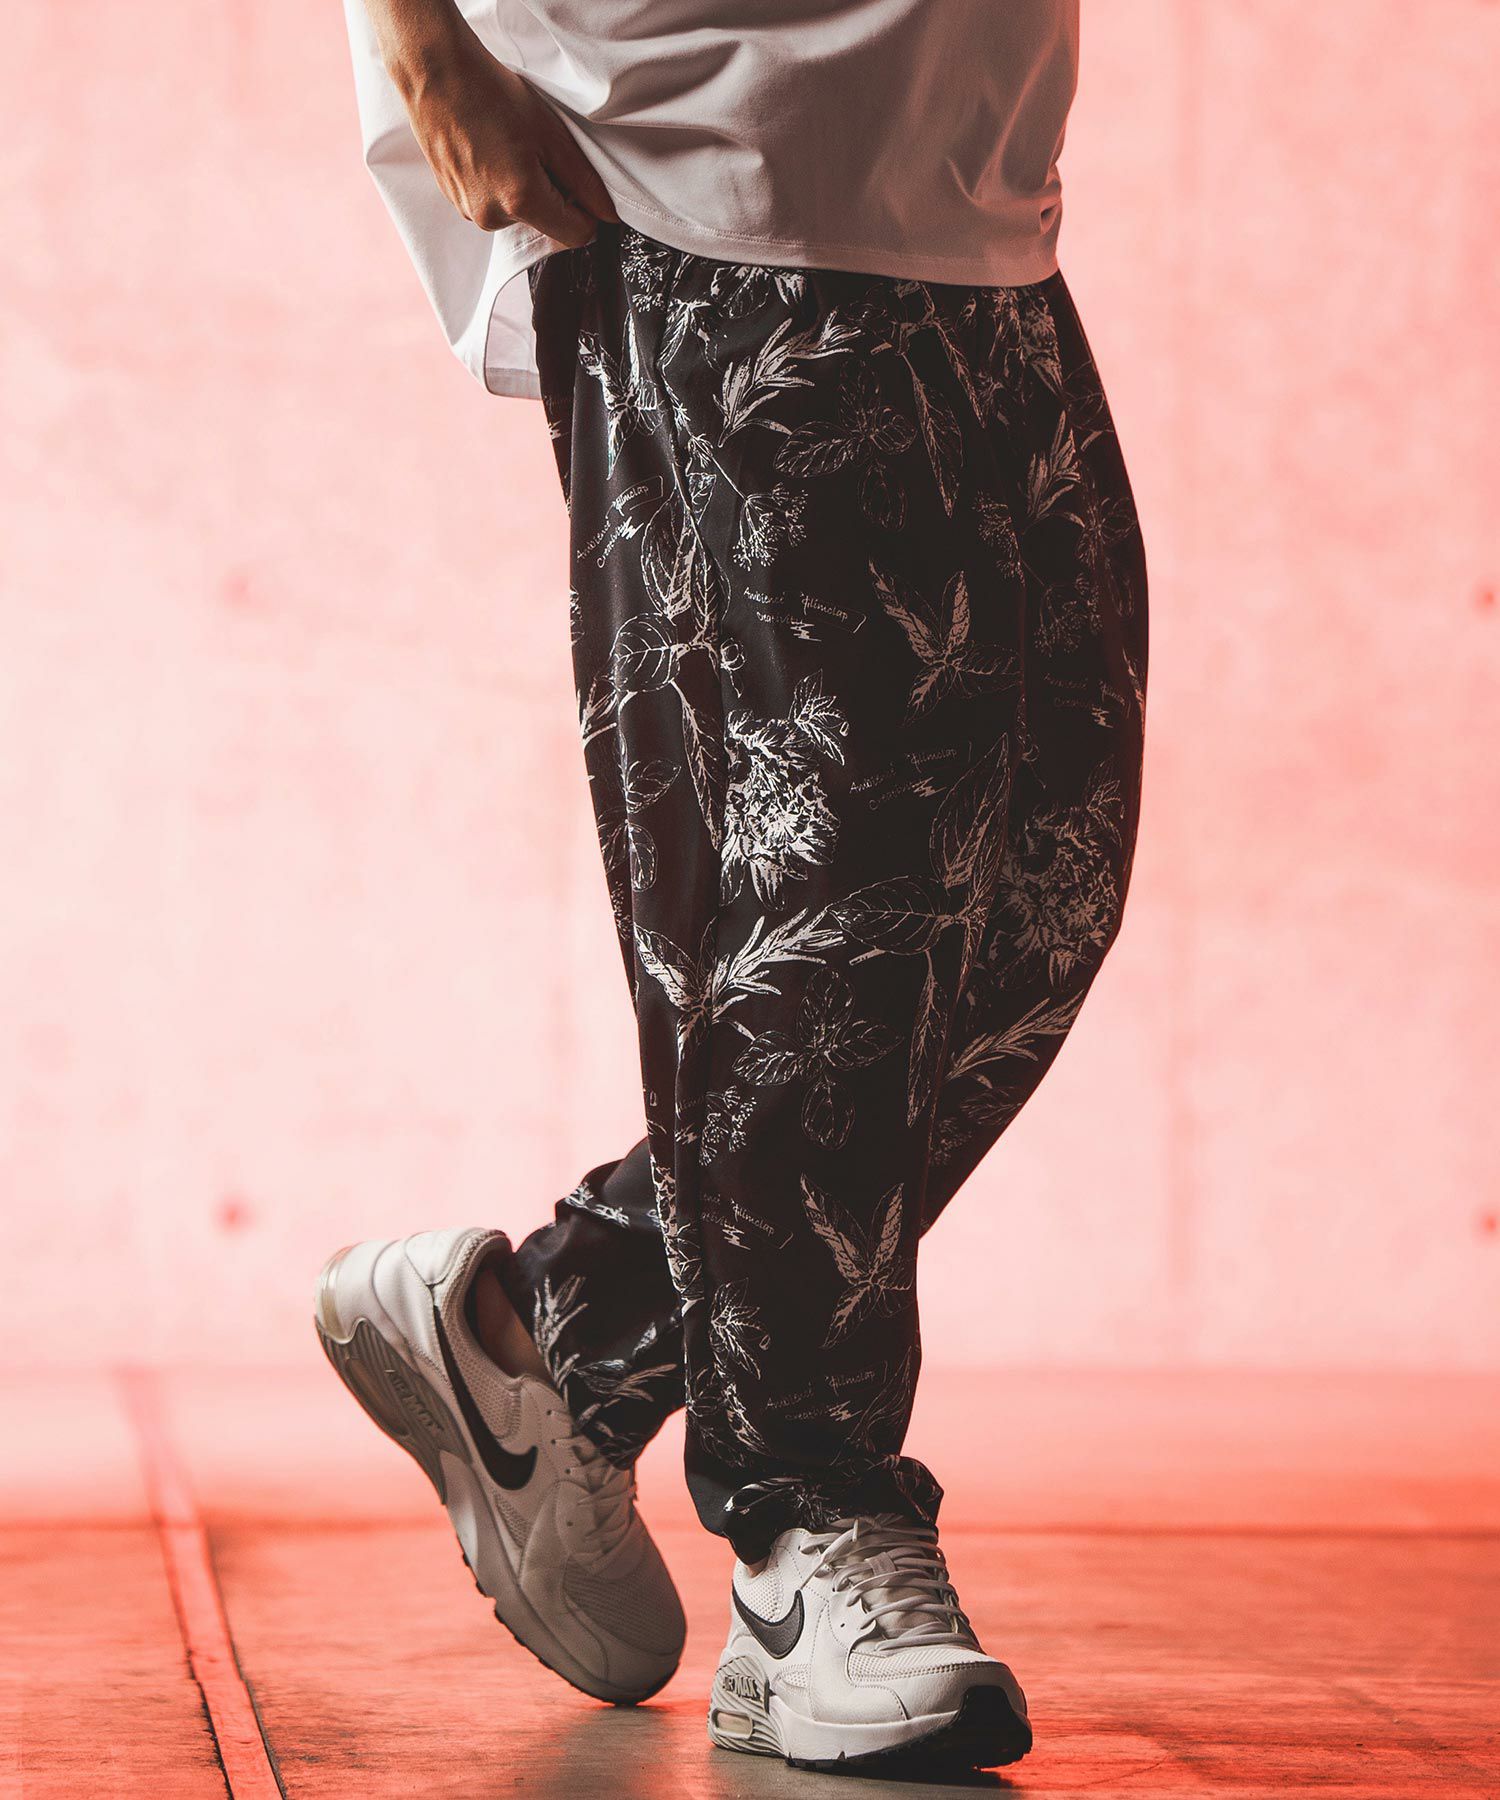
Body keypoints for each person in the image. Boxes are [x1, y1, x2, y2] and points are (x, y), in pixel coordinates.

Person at [316, 0, 1147, 1774]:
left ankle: (561, 1334)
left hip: (970, 165)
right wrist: (426, 52)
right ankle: (806, 1531)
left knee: (1041, 890)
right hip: (700, 156)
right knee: (821, 909)